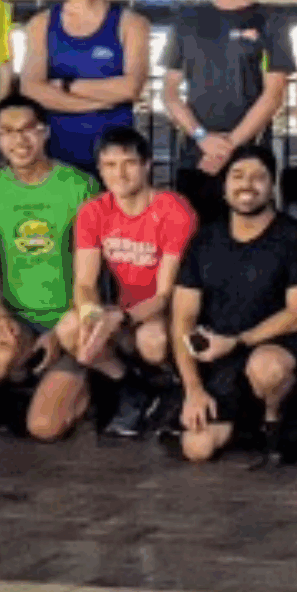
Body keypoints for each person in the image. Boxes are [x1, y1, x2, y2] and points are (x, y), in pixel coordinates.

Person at [0, 97, 101, 440]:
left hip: (71, 321)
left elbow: (91, 274)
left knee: (43, 429)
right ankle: (32, 379)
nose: (19, 140)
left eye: (29, 129)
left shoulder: (79, 186)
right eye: (7, 132)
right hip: (21, 319)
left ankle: (85, 385)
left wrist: (60, 331)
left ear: (45, 133)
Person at [171, 151, 297, 466]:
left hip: (275, 352)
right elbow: (183, 319)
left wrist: (238, 341)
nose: (247, 185)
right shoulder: (205, 239)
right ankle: (244, 425)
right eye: (237, 176)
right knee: (197, 448)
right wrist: (193, 389)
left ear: (272, 186)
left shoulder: (296, 237)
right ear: (224, 186)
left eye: (258, 177)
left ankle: (274, 423)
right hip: (222, 360)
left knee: (267, 368)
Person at [64, 126, 197, 438]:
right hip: (122, 310)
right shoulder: (94, 211)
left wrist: (119, 319)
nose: (119, 174)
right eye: (110, 165)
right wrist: (91, 316)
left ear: (147, 165)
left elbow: (165, 295)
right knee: (70, 328)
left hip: (166, 314)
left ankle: (171, 387)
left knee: (153, 340)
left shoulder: (173, 210)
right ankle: (130, 387)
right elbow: (84, 283)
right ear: (100, 170)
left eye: (129, 163)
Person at [159, 0, 295, 220]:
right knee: (194, 237)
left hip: (250, 160)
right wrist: (202, 137)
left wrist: (229, 145)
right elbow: (170, 93)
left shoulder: (272, 21)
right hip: (196, 158)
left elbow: (274, 94)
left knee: (251, 238)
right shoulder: (187, 20)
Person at [19, 0, 150, 174]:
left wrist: (66, 85)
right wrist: (102, 102)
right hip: (57, 154)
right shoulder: (41, 24)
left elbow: (131, 88)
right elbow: (31, 89)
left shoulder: (133, 24)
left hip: (115, 161)